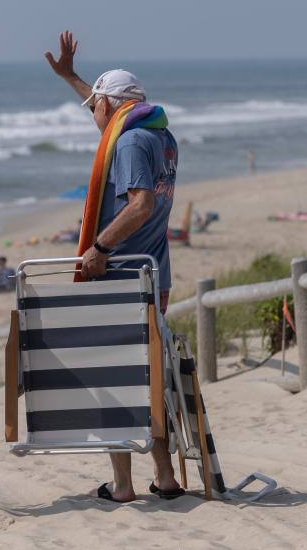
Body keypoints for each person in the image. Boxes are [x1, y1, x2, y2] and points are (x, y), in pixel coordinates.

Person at [46, 30, 183, 503]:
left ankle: (123, 485)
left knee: (113, 381)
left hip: (122, 278)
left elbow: (140, 205)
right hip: (154, 275)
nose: (93, 113)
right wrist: (72, 78)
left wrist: (99, 247)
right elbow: (108, 117)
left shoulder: (127, 146)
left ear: (112, 106)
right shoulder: (159, 135)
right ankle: (164, 476)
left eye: (95, 106)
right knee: (150, 380)